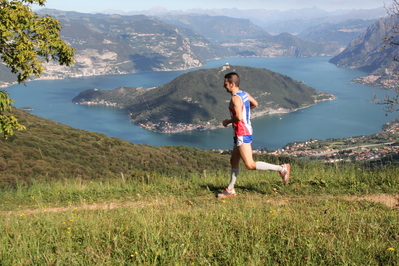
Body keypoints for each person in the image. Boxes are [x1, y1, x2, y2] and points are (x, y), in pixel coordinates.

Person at [218, 72, 291, 198]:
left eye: (225, 84)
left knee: (250, 164)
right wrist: (245, 110)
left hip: (241, 132)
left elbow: (239, 117)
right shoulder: (244, 94)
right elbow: (255, 104)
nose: (224, 86)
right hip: (244, 131)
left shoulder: (235, 98)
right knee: (234, 161)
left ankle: (282, 168)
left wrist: (227, 121)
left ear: (232, 83)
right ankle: (230, 189)